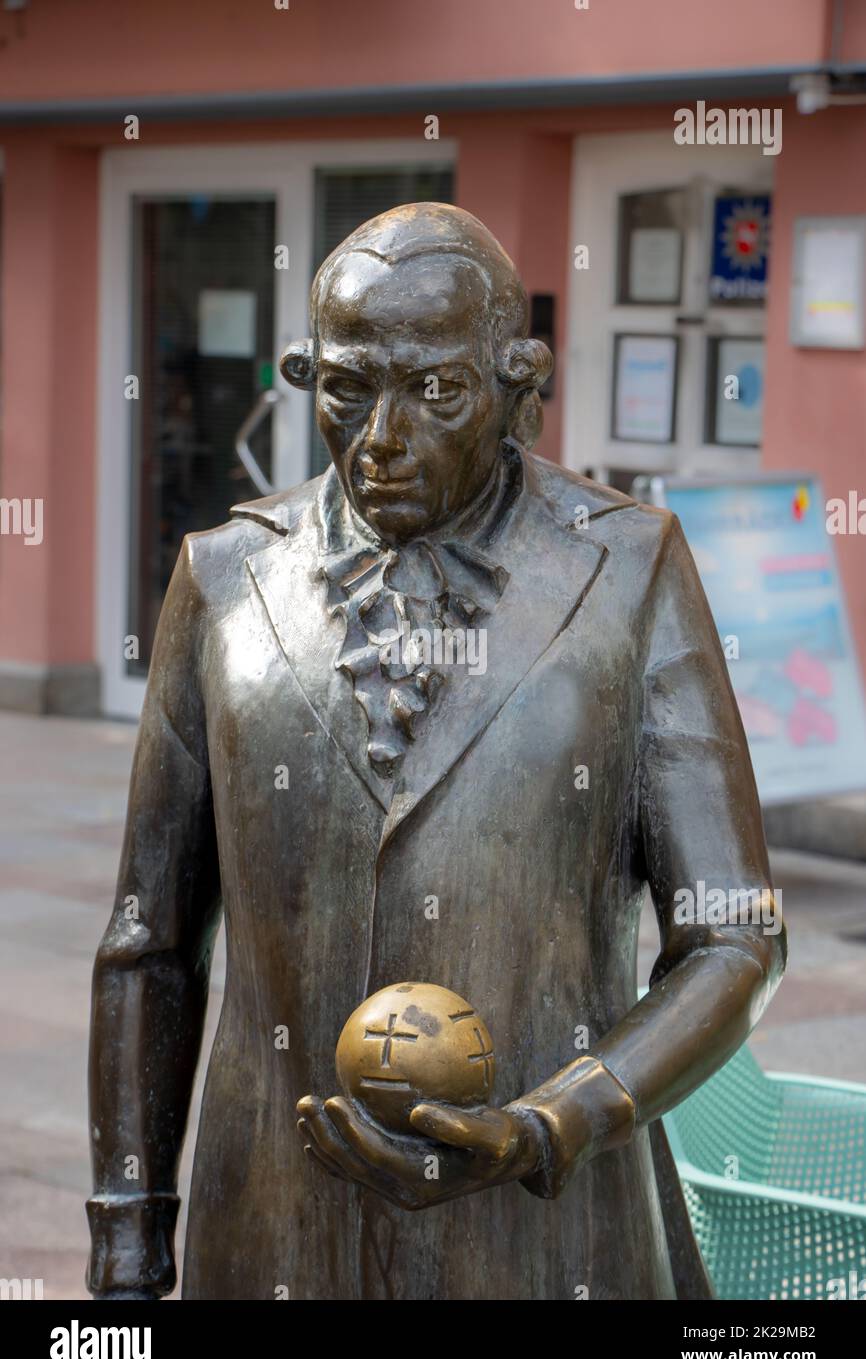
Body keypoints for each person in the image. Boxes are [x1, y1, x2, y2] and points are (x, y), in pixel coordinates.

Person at [87, 203, 785, 1300]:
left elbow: (732, 936)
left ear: (517, 389)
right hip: (270, 1221)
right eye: (348, 388)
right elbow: (148, 945)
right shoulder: (221, 581)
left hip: (548, 1237)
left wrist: (554, 1122)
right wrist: (127, 1229)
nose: (381, 439)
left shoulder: (628, 570)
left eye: (436, 391)